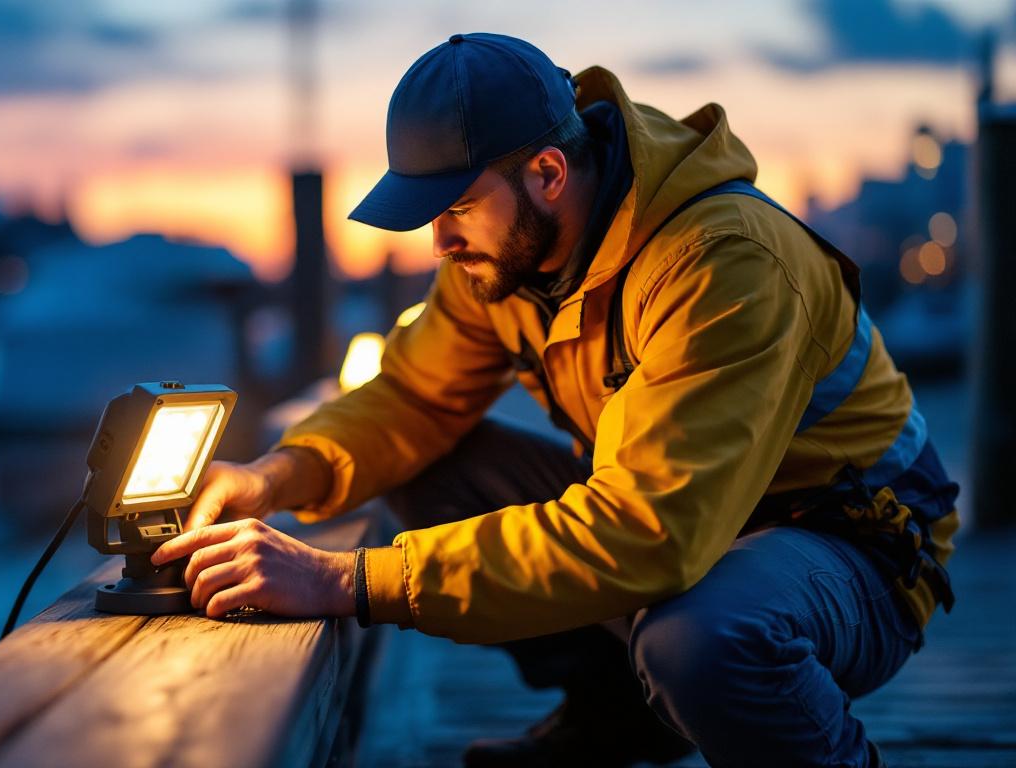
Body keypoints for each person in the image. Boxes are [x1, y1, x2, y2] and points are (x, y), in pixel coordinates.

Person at [151, 33, 959, 767]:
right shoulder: (500, 261)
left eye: (457, 207)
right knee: (433, 463)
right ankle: (619, 713)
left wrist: (348, 580)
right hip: (691, 525)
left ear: (547, 173)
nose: (440, 242)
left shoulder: (721, 263)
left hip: (854, 545)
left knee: (701, 639)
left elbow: (650, 537)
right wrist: (273, 475)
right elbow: (410, 400)